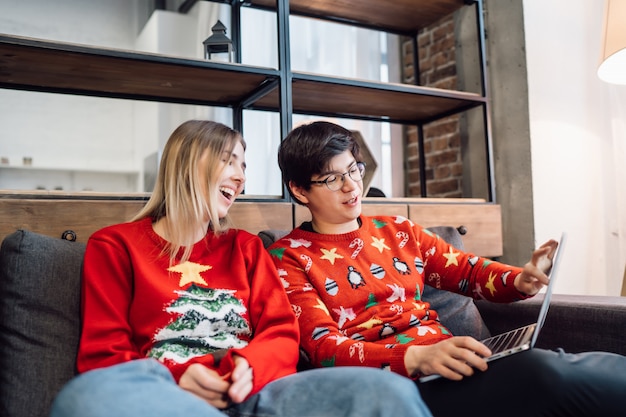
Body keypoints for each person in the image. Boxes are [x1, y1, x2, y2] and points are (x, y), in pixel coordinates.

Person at [49, 120, 433, 417]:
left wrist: (249, 365)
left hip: (258, 393)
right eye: (229, 161)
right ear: (187, 161)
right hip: (168, 397)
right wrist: (178, 376)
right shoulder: (116, 246)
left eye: (243, 166)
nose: (241, 176)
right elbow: (103, 356)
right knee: (85, 397)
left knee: (388, 392)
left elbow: (282, 333)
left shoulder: (245, 248)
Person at [268, 120, 626, 417]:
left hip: (452, 362)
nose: (351, 186)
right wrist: (416, 357)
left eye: (353, 170)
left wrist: (521, 277)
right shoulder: (288, 258)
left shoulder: (398, 230)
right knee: (543, 373)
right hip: (403, 386)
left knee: (560, 365)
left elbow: (469, 272)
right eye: (332, 179)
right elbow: (324, 349)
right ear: (300, 190)